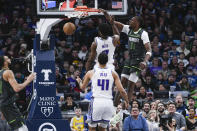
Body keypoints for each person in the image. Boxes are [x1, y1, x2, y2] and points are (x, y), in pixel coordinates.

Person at [101, 9, 152, 104]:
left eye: (132, 20)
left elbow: (149, 50)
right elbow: (113, 22)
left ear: (137, 23)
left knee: (130, 85)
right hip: (130, 59)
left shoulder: (143, 34)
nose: (130, 21)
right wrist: (105, 13)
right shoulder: (128, 28)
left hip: (138, 60)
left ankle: (127, 107)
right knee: (122, 82)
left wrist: (145, 61)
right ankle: (115, 106)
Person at [77, 52, 129, 131]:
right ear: (107, 61)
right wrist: (127, 101)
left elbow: (82, 88)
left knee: (92, 128)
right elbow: (122, 91)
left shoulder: (91, 72)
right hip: (108, 103)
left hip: (96, 102)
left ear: (97, 61)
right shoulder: (113, 73)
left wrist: (79, 81)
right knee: (103, 128)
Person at [0, 56, 36, 131]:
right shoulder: (8, 72)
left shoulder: (1, 73)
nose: (10, 59)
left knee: (20, 127)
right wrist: (29, 80)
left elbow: (6, 87)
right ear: (5, 62)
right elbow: (17, 88)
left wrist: (24, 81)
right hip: (8, 104)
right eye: (7, 58)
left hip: (5, 103)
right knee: (22, 128)